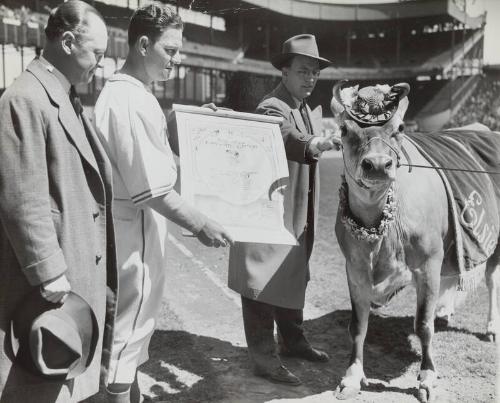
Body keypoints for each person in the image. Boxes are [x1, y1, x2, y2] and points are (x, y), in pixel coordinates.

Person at [93, 4, 233, 402]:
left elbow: (151, 160)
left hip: (129, 230)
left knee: (131, 345)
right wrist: (202, 223)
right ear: (142, 45)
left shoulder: (128, 94)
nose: (176, 59)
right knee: (125, 342)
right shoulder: (130, 99)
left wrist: (186, 129)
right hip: (131, 238)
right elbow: (154, 190)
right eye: (169, 50)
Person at [0, 1, 117, 402]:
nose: (99, 65)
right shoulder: (25, 97)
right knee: (37, 387)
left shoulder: (61, 93)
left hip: (73, 271)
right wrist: (48, 270)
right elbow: (21, 195)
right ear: (67, 42)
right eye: (97, 54)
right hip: (49, 285)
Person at [228, 34, 339, 386]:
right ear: (285, 71)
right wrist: (315, 142)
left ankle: (292, 341)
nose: (310, 79)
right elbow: (285, 136)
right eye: (303, 71)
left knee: (294, 274)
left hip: (297, 211)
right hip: (270, 213)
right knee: (263, 281)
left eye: (315, 74)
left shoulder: (305, 107)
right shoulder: (272, 106)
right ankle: (264, 358)